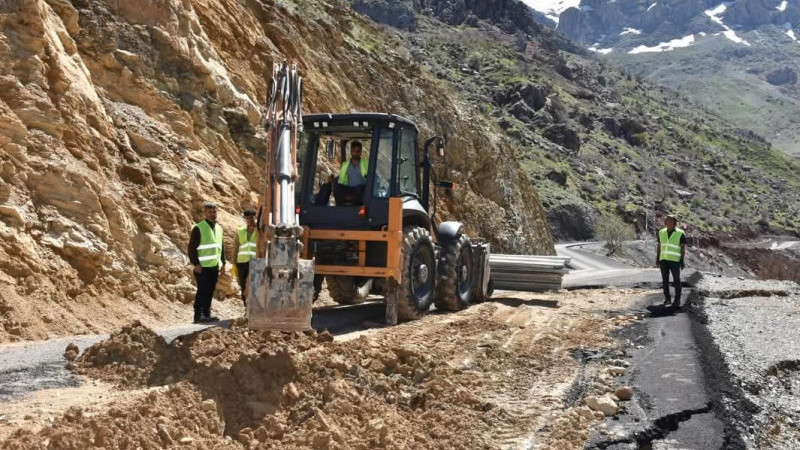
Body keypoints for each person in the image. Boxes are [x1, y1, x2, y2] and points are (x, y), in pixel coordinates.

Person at [188, 202, 225, 323]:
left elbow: (221, 247)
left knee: (209, 291)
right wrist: (196, 264)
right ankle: (198, 315)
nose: (212, 214)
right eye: (210, 212)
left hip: (214, 266)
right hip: (202, 267)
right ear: (205, 213)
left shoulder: (219, 228)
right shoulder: (199, 228)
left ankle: (207, 314)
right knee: (202, 291)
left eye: (214, 212)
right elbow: (192, 248)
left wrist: (223, 263)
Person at [656, 214, 686, 309]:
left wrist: (682, 260)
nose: (668, 222)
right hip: (663, 260)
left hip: (675, 261)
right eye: (667, 220)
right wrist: (657, 259)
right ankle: (667, 298)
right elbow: (659, 246)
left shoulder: (680, 233)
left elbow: (683, 248)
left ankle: (677, 299)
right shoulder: (661, 232)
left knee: (676, 280)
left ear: (674, 222)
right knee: (665, 280)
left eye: (670, 220)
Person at [233, 209, 258, 307]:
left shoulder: (260, 230)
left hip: (255, 262)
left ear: (255, 217)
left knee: (255, 286)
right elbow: (236, 248)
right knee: (243, 286)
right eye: (247, 218)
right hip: (242, 262)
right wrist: (234, 264)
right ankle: (246, 308)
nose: (249, 220)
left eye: (251, 218)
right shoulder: (240, 231)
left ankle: (255, 308)